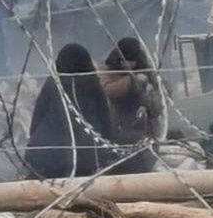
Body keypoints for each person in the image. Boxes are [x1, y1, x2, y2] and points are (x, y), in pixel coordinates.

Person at [25, 43, 113, 179]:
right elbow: (104, 118)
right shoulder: (92, 83)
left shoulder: (53, 83)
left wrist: (33, 143)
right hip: (84, 158)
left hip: (47, 155)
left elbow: (38, 115)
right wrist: (107, 148)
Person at [100, 37, 165, 174]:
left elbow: (162, 94)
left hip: (147, 128)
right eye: (124, 61)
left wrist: (154, 92)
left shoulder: (147, 70)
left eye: (131, 61)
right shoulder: (110, 71)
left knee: (146, 162)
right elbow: (109, 91)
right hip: (121, 126)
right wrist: (132, 80)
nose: (127, 65)